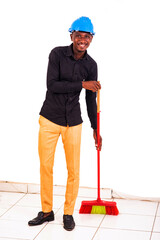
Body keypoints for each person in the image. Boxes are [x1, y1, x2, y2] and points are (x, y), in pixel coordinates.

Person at [28, 16, 102, 231]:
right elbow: (52, 85)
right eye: (78, 35)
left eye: (87, 37)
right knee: (46, 166)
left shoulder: (91, 65)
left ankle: (68, 213)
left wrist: (95, 129)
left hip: (74, 123)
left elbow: (90, 99)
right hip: (49, 119)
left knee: (73, 170)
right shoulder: (57, 54)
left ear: (91, 39)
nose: (82, 40)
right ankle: (47, 211)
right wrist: (81, 84)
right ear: (71, 36)